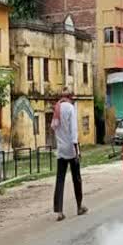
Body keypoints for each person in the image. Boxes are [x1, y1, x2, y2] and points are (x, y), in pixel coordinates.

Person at [52, 87, 87, 222]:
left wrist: (59, 141)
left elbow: (54, 127)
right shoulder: (70, 108)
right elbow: (73, 130)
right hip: (71, 149)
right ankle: (79, 206)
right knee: (76, 178)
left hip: (61, 149)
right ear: (70, 96)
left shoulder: (57, 107)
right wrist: (76, 149)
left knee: (60, 180)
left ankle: (59, 211)